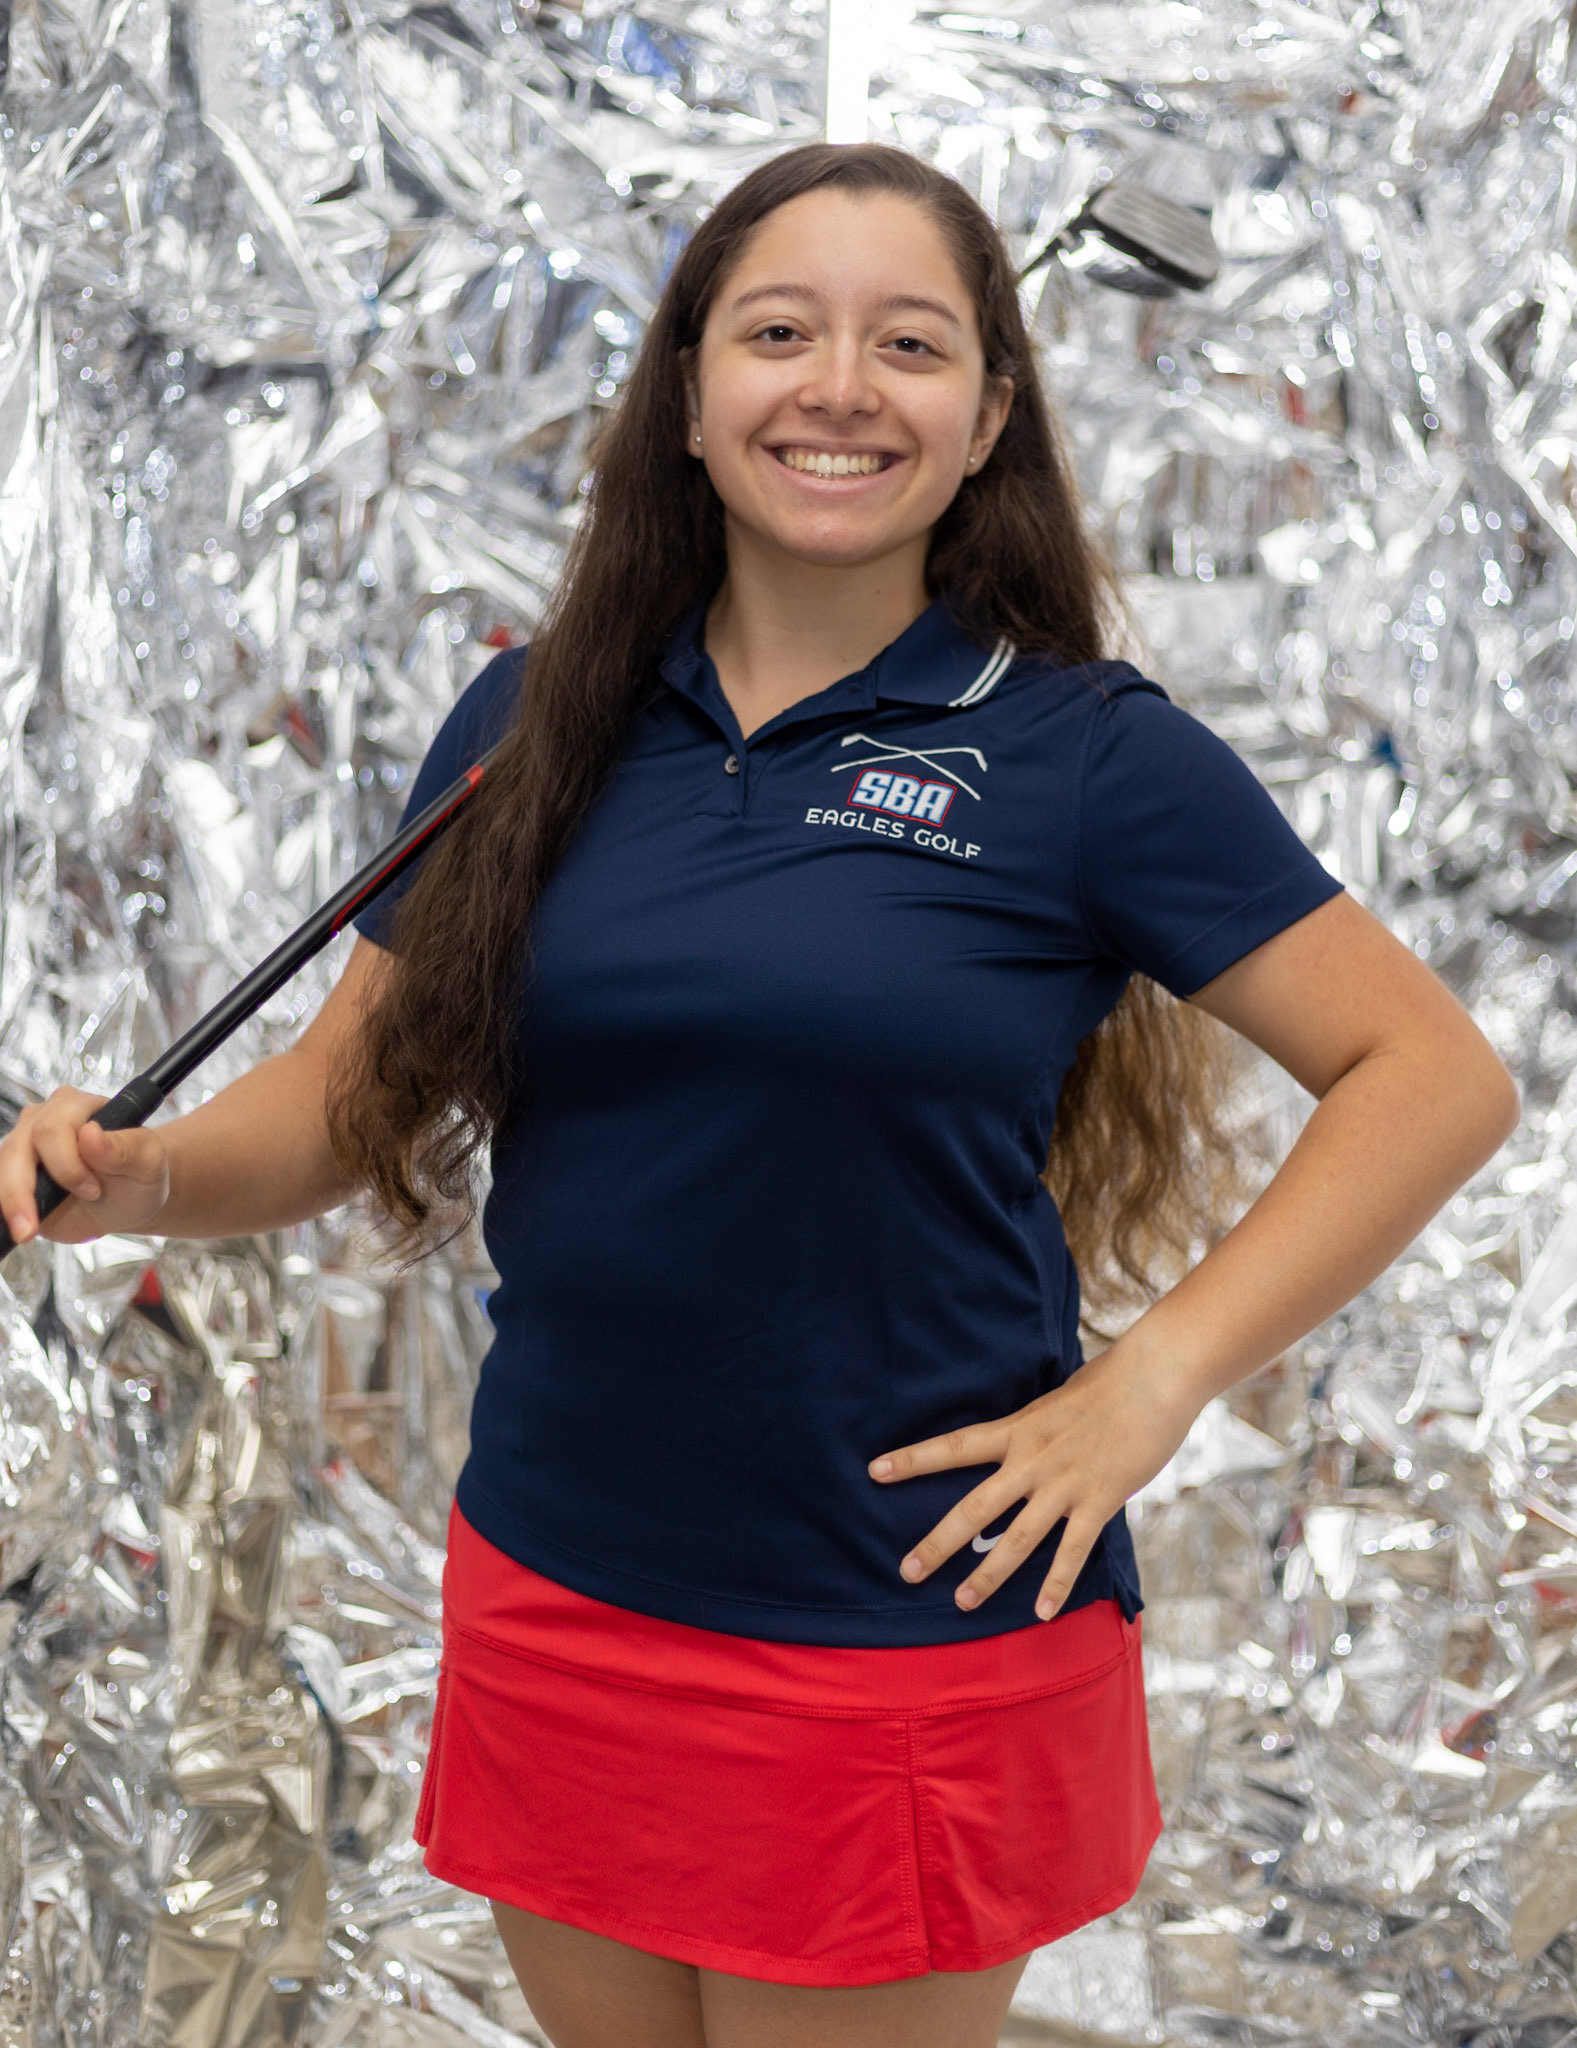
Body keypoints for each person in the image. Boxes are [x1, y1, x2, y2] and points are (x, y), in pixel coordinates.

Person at [0, 141, 1519, 2048]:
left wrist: (1152, 1384)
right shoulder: (531, 723)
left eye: (909, 344)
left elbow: (1429, 1075)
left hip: (890, 1628)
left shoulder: (1081, 757)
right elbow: (335, 1105)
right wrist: (137, 1176)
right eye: (781, 333)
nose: (839, 388)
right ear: (689, 395)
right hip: (561, 1587)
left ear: (986, 418)